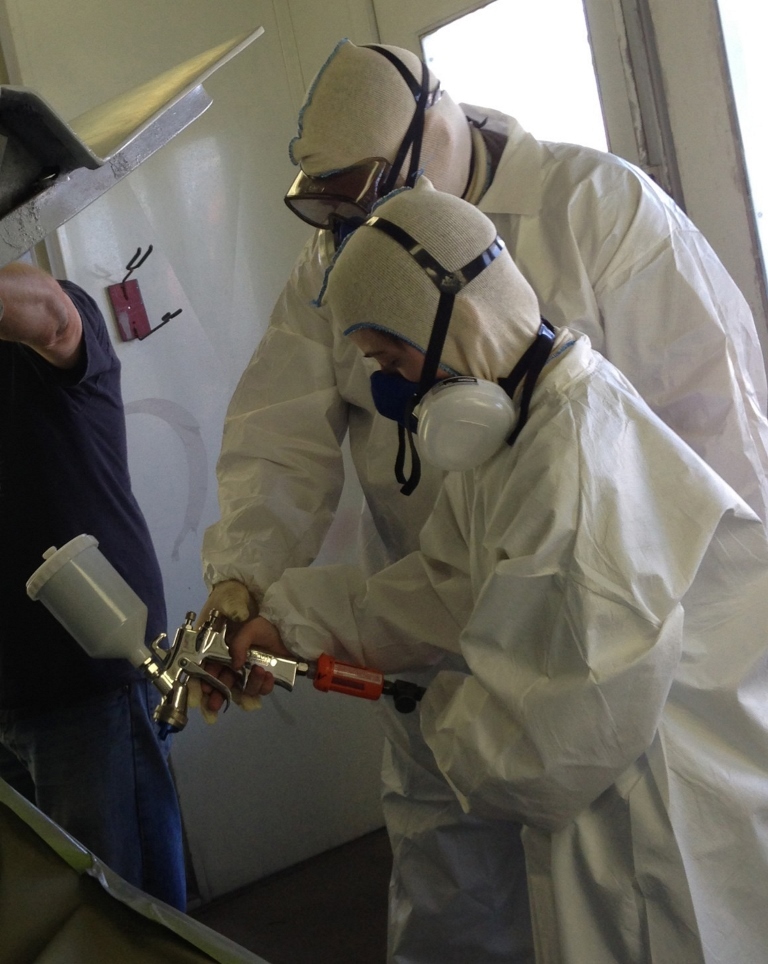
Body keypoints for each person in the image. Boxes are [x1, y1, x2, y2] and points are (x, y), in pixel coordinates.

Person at [200, 39, 768, 963]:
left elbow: (720, 443)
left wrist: (706, 639)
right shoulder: (480, 417)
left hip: (625, 667)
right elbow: (291, 441)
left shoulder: (596, 216)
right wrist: (260, 594)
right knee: (451, 907)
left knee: (638, 906)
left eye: (391, 364)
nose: (392, 397)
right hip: (473, 656)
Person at [0, 260, 187, 910]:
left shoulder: (41, 331)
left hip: (89, 681)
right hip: (13, 696)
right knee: (56, 916)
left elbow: (49, 312)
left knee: (126, 912)